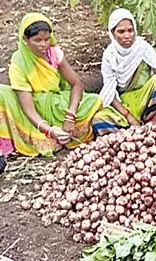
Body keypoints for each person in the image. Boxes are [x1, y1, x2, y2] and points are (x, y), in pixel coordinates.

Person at [0, 13, 102, 157]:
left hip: (56, 103)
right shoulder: (19, 63)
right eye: (38, 40)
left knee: (94, 101)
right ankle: (43, 136)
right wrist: (49, 130)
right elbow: (28, 109)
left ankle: (61, 132)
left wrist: (70, 116)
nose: (44, 45)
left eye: (47, 39)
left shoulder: (54, 53)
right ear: (25, 40)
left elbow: (76, 84)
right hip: (32, 106)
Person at [92, 8, 156, 136]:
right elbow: (110, 93)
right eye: (121, 31)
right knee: (98, 120)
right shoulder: (110, 55)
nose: (127, 35)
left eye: (130, 30)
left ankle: (147, 123)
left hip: (144, 99)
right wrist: (129, 116)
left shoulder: (143, 48)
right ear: (112, 33)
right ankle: (133, 131)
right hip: (123, 105)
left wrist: (155, 121)